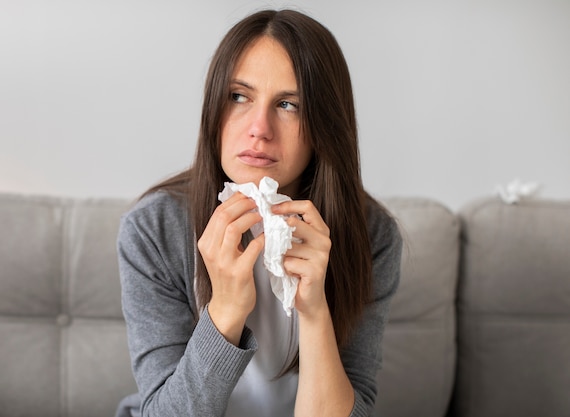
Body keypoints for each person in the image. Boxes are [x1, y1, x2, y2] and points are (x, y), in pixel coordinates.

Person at [114, 9, 402, 417]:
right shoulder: (152, 229)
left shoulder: (372, 235)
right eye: (238, 96)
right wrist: (226, 311)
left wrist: (315, 311)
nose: (259, 128)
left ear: (325, 125)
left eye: (288, 104)